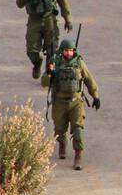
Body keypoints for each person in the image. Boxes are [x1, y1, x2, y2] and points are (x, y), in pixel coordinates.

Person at [42, 37, 99, 171]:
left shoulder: (79, 63)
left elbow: (89, 79)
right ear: (61, 51)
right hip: (59, 102)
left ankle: (78, 156)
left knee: (78, 129)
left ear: (74, 51)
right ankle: (62, 144)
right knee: (59, 130)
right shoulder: (55, 62)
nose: (68, 53)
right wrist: (49, 72)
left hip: (76, 102)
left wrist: (95, 96)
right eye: (66, 51)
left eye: (70, 51)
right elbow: (44, 83)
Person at [16, 0, 72, 79]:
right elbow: (19, 4)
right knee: (32, 50)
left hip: (49, 19)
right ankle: (37, 63)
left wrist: (68, 19)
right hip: (34, 20)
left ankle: (49, 73)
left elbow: (62, 1)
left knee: (52, 49)